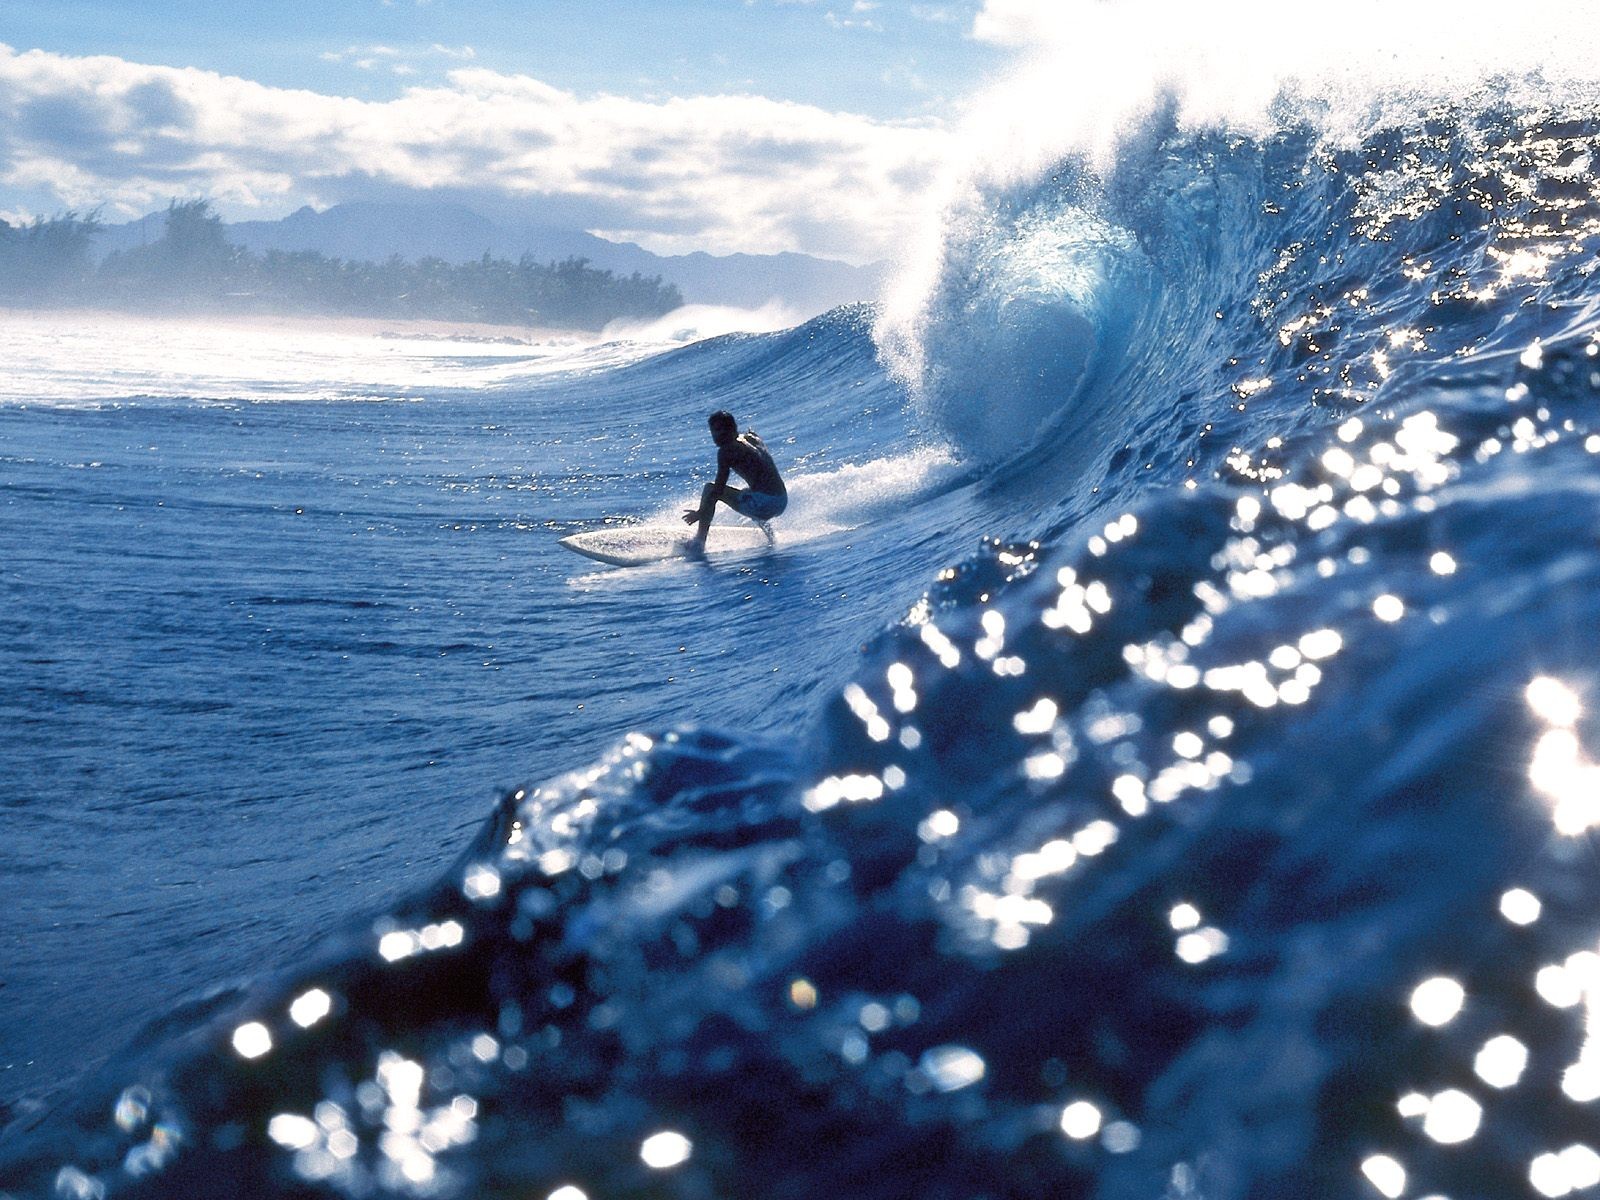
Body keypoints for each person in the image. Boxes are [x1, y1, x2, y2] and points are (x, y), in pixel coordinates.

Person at [682, 409, 787, 548]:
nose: (716, 436)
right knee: (748, 492)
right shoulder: (751, 439)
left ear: (732, 429)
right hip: (781, 500)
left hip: (765, 504)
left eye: (720, 430)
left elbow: (718, 489)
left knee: (710, 489)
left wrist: (701, 513)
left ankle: (699, 542)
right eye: (713, 431)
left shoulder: (726, 451)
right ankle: (771, 538)